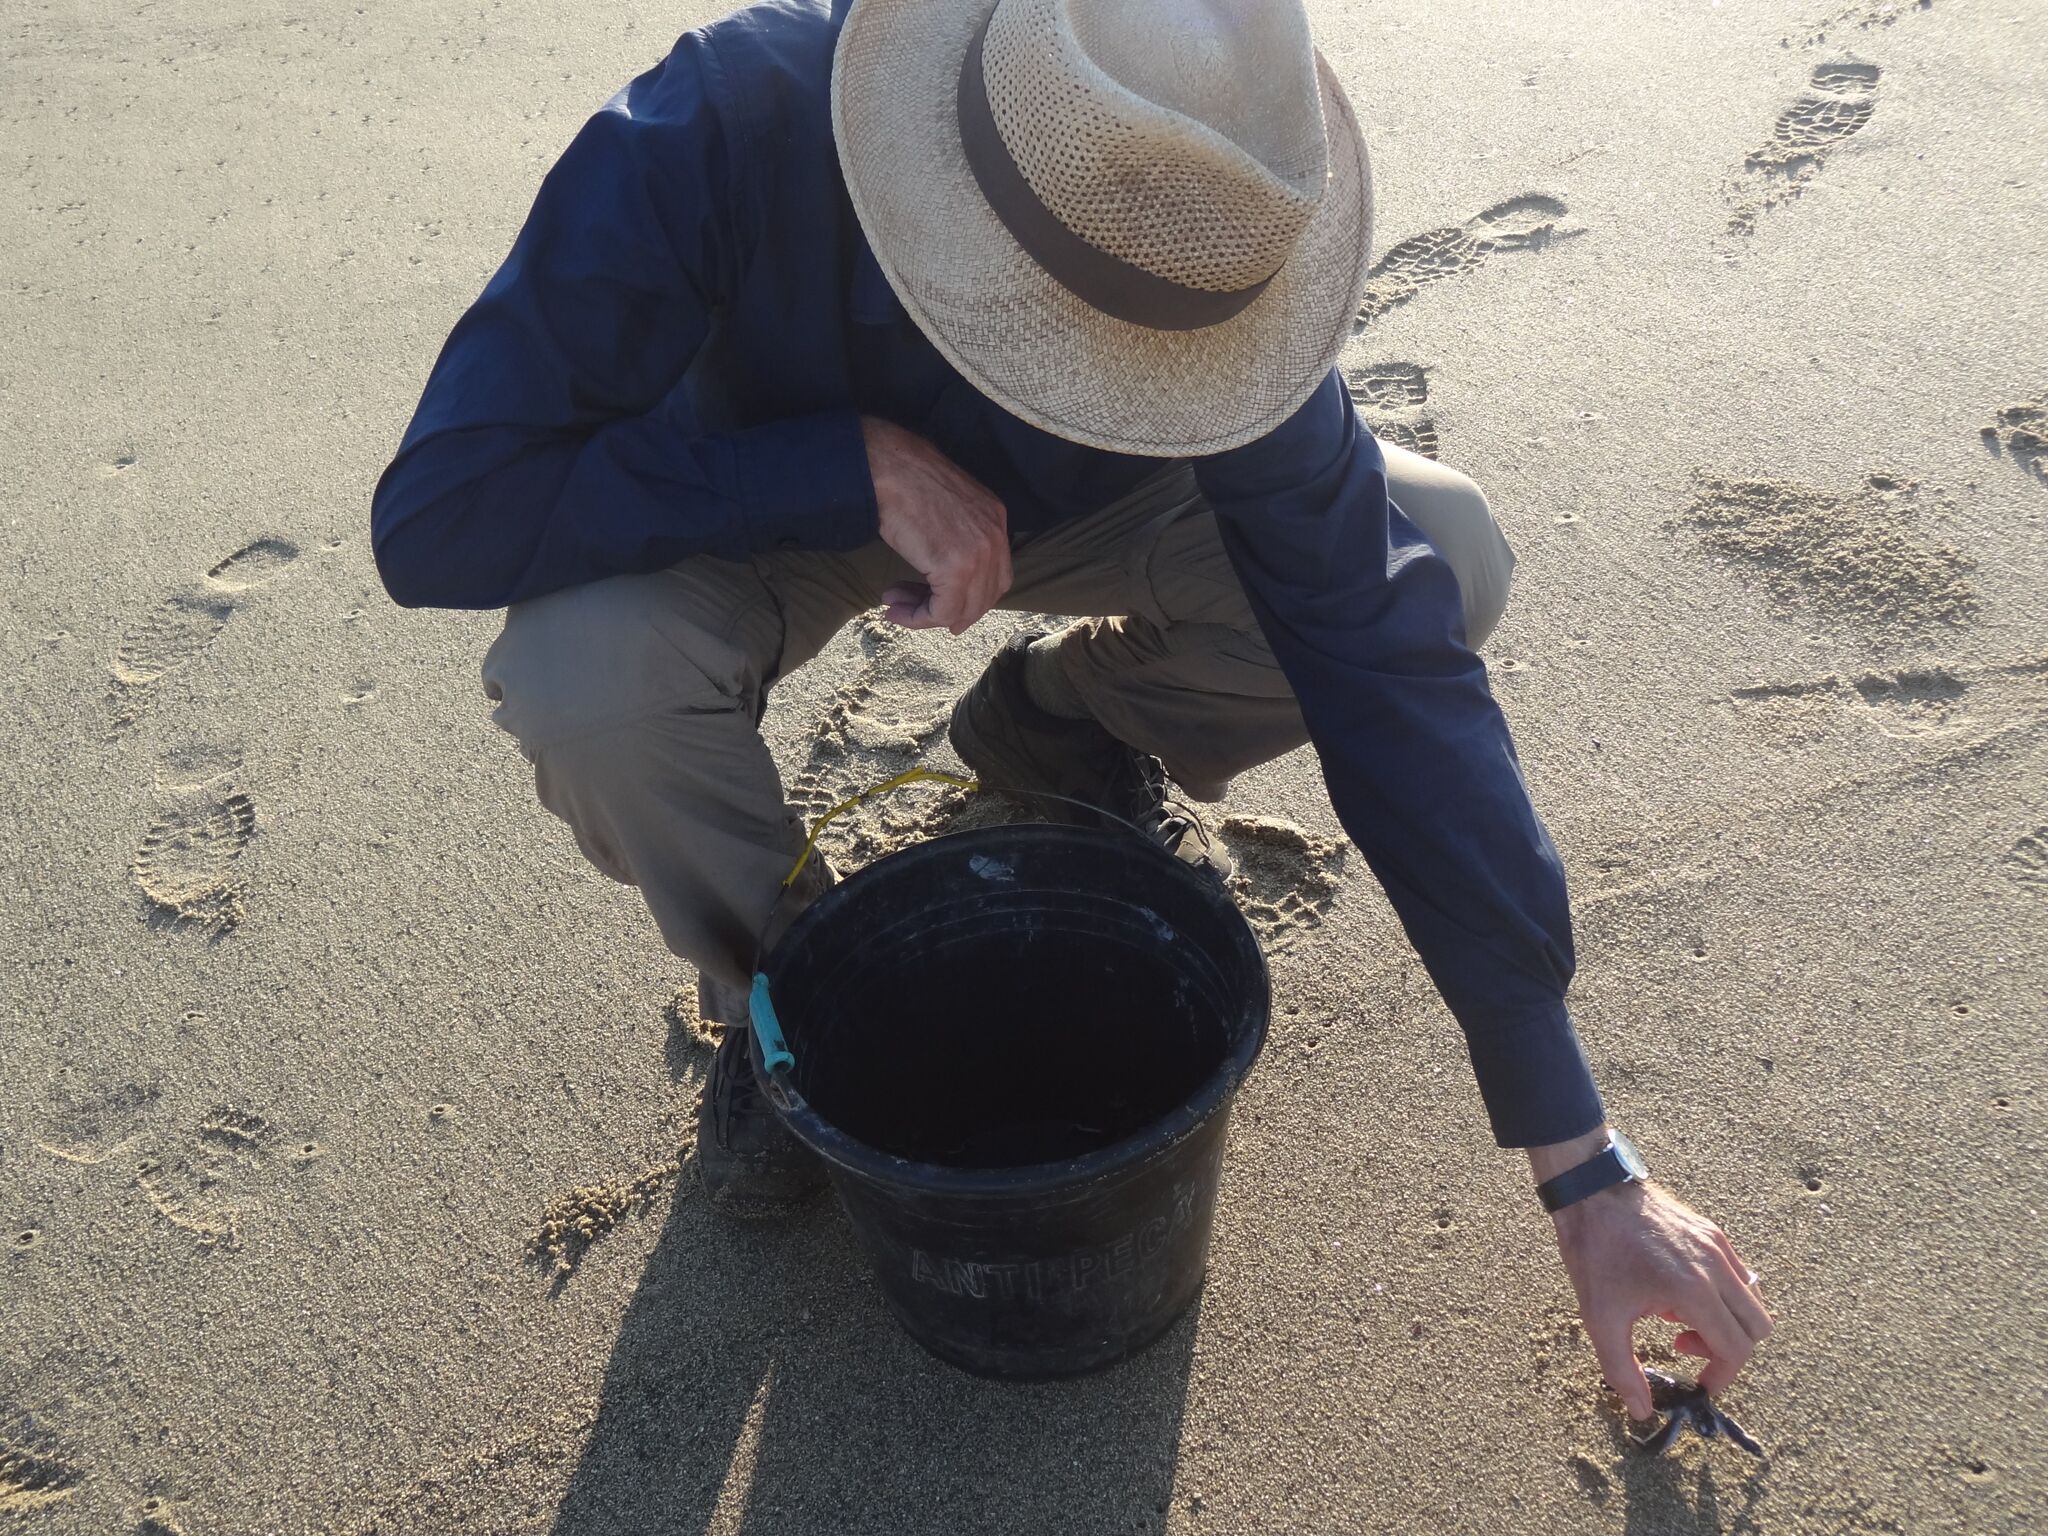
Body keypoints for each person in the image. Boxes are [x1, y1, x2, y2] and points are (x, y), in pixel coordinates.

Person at [371, 0, 1771, 1418]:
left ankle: (1058, 721)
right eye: (1049, 315)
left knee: (1444, 556)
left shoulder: (1210, 228)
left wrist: (1585, 1166)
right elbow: (439, 516)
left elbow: (1385, 661)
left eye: (1141, 331)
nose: (1073, 361)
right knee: (583, 686)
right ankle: (794, 989)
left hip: (1109, 504)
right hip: (751, 494)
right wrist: (835, 466)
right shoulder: (728, 117)